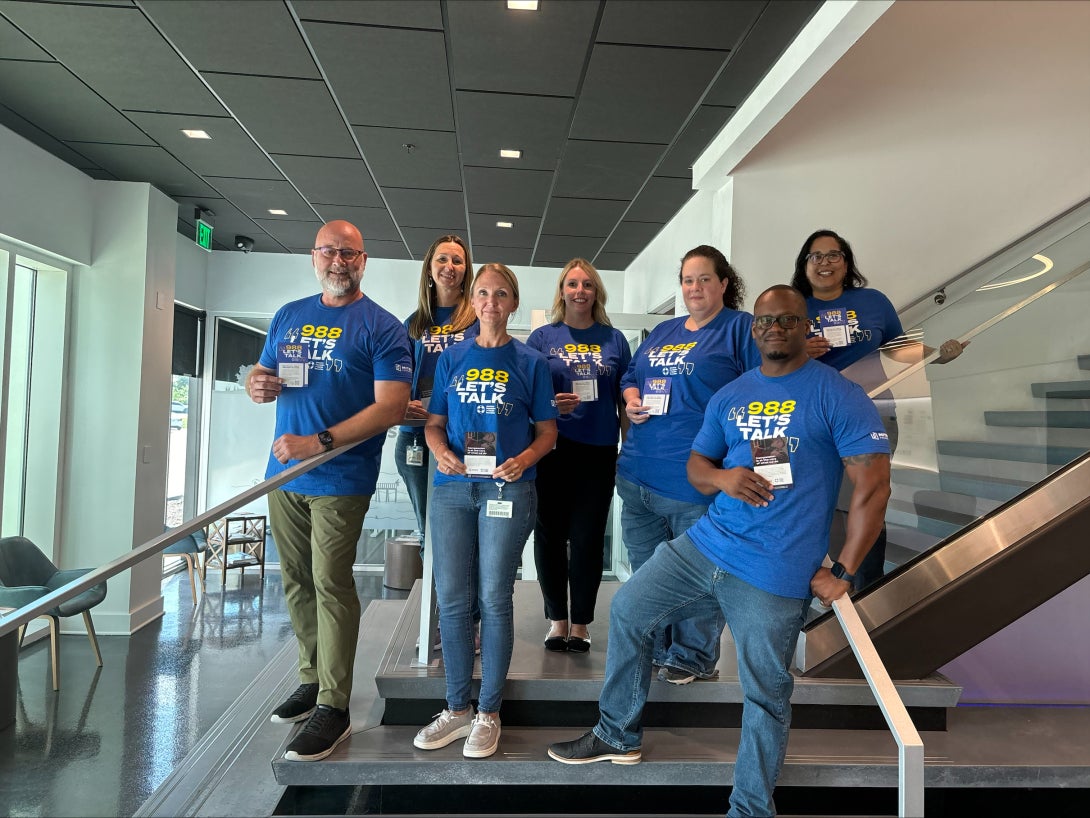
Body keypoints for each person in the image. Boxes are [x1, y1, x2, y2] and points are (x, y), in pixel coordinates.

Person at [548, 285, 892, 818]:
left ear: (805, 327)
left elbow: (873, 486)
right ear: (753, 330)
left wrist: (844, 569)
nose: (773, 328)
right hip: (708, 544)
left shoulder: (836, 394)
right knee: (630, 610)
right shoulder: (732, 394)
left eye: (786, 319)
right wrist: (724, 478)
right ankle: (617, 734)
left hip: (775, 566)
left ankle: (751, 808)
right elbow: (696, 467)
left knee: (766, 693)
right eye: (764, 321)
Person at [247, 220, 411, 762]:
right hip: (286, 475)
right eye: (329, 252)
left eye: (349, 253)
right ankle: (312, 677)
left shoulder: (382, 327)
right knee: (294, 580)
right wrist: (256, 382)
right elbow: (264, 378)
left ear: (363, 261)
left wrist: (317, 443)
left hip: (340, 477)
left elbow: (389, 407)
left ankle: (334, 705)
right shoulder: (289, 315)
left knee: (329, 582)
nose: (338, 261)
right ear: (313, 257)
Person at [413, 263, 558, 759]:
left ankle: (488, 712)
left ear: (513, 302)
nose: (490, 302)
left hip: (507, 492)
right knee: (452, 598)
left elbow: (548, 433)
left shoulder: (532, 362)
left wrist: (523, 460)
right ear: (471, 302)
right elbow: (433, 423)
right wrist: (439, 449)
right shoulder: (452, 358)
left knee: (494, 597)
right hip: (453, 489)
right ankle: (456, 708)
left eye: (500, 294)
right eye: (482, 293)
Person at [790, 229, 967, 589]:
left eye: (833, 255)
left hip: (873, 416)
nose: (825, 263)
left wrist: (938, 355)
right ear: (804, 264)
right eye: (816, 256)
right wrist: (799, 353)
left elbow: (897, 351)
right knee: (817, 500)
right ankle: (821, 582)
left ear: (847, 262)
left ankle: (868, 586)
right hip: (812, 419)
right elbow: (764, 361)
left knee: (867, 498)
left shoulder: (873, 301)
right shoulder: (791, 306)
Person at [615, 245, 760, 685]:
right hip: (637, 475)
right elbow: (630, 376)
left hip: (694, 481)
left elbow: (763, 392)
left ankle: (693, 655)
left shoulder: (741, 330)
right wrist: (631, 398)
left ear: (723, 283)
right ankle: (656, 646)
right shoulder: (663, 330)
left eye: (703, 279)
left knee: (699, 574)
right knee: (648, 574)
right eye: (687, 280)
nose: (694, 288)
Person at [527, 259, 631, 653]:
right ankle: (557, 619)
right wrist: (553, 405)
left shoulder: (614, 339)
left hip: (599, 450)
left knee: (588, 538)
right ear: (562, 291)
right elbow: (529, 397)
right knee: (550, 535)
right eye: (572, 284)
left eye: (587, 284)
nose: (580, 291)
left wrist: (626, 449)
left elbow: (624, 401)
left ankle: (582, 623)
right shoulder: (542, 338)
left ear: (596, 292)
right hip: (551, 448)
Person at [395, 235, 478, 542]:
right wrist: (401, 404)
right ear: (429, 268)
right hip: (416, 436)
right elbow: (398, 378)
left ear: (466, 271)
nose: (449, 266)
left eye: (457, 261)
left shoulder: (477, 323)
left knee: (460, 531)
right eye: (442, 259)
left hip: (463, 435)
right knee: (426, 529)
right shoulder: (413, 323)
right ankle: (435, 591)